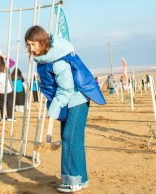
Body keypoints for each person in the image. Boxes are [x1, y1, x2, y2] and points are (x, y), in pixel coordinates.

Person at [25, 25, 105, 193]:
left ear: (43, 41)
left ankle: (72, 181)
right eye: (29, 45)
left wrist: (54, 108)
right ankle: (81, 179)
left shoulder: (58, 60)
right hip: (67, 101)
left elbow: (66, 89)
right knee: (73, 139)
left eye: (33, 44)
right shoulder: (43, 59)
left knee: (70, 137)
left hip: (77, 99)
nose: (31, 48)